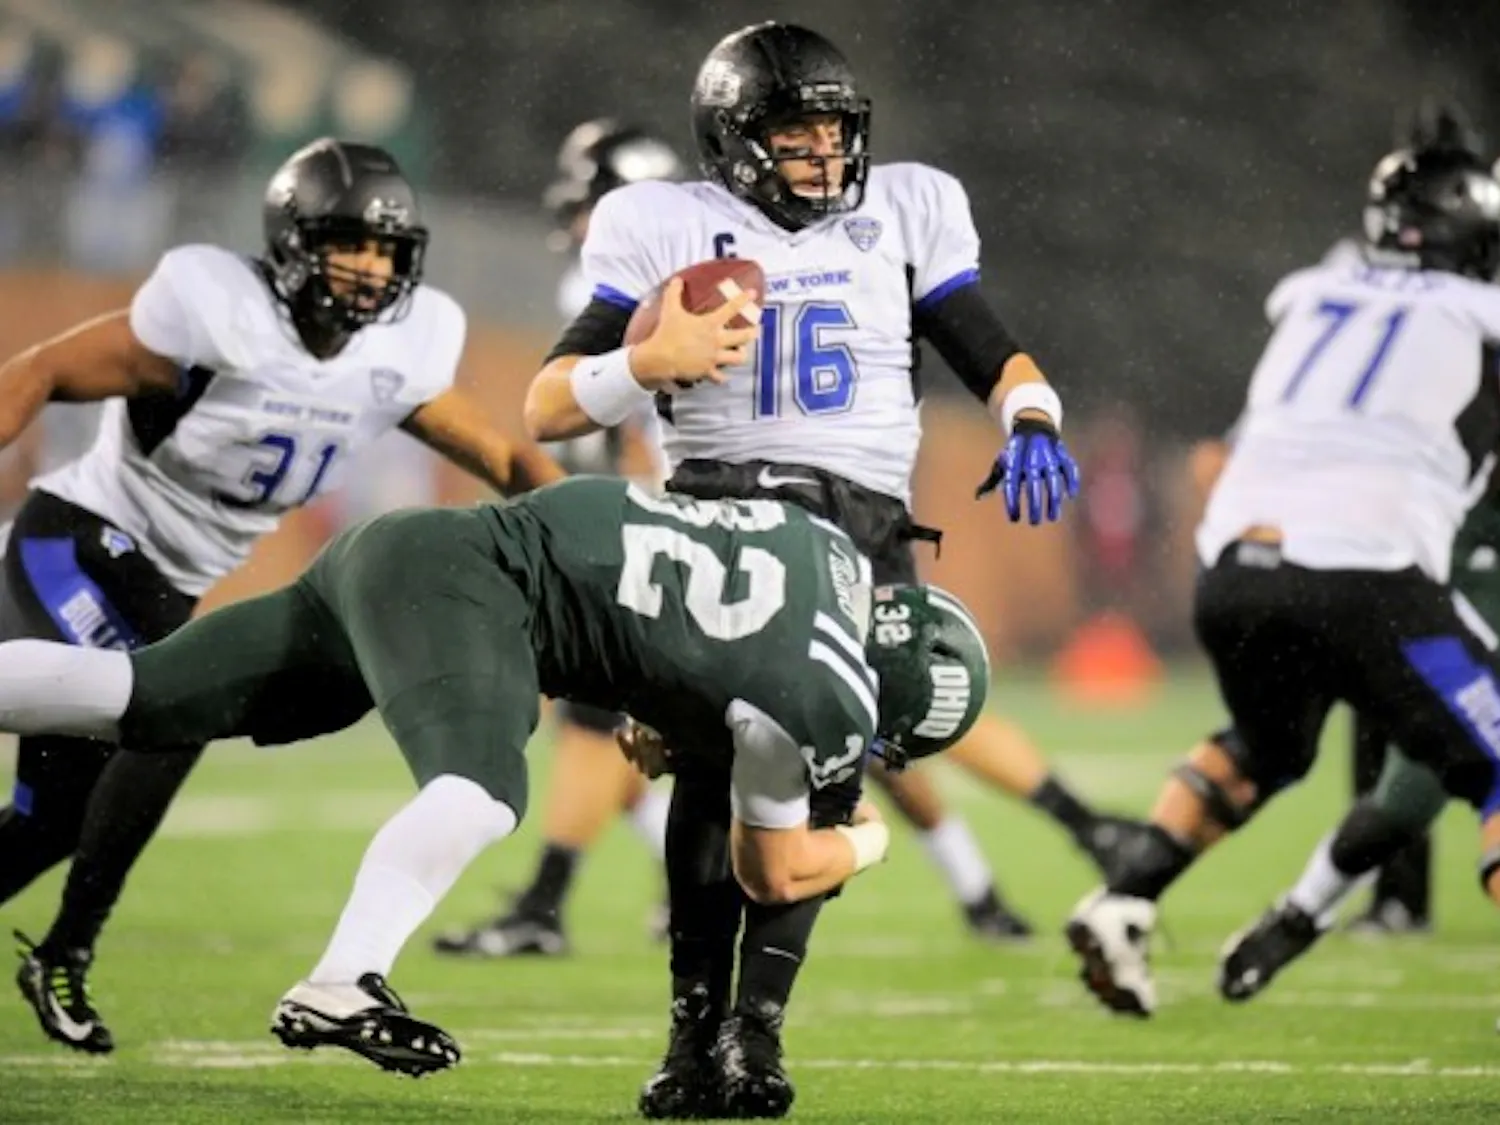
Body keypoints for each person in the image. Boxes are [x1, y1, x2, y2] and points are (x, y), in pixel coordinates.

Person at [522, 21, 1113, 1117]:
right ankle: (693, 1036)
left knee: (814, 785)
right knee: (708, 775)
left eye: (836, 133)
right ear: (735, 142)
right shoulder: (663, 223)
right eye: (796, 136)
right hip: (716, 514)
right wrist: (644, 363)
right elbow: (549, 402)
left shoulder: (909, 207)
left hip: (859, 528)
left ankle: (758, 1032)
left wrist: (1033, 415)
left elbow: (987, 342)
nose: (824, 156)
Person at [0, 476, 988, 1078]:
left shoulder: (824, 551)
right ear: (892, 706)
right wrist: (868, 838)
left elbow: (685, 601)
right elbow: (770, 875)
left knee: (129, 693)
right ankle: (342, 980)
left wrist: (663, 717)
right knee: (481, 790)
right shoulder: (830, 699)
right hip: (477, 592)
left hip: (408, 547)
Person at [0, 136, 562, 1054]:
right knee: (140, 722)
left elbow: (505, 458)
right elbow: (41, 371)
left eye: (387, 250)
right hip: (84, 542)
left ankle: (63, 946)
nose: (371, 267)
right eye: (351, 243)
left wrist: (587, 541)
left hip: (175, 585)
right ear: (294, 241)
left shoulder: (396, 353)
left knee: (55, 812)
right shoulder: (213, 312)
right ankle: (70, 943)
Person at [1065, 141, 1500, 1018]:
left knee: (1268, 745)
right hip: (1365, 569)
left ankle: (1126, 897)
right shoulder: (1482, 311)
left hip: (1235, 568)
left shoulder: (1312, 292)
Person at [435, 118, 681, 958]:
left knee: (606, 716)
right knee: (614, 718)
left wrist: (637, 515)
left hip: (657, 521)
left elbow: (624, 423)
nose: (578, 223)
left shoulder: (610, 288)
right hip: (673, 517)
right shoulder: (701, 270)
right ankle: (606, 896)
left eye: (590, 205)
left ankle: (554, 905)